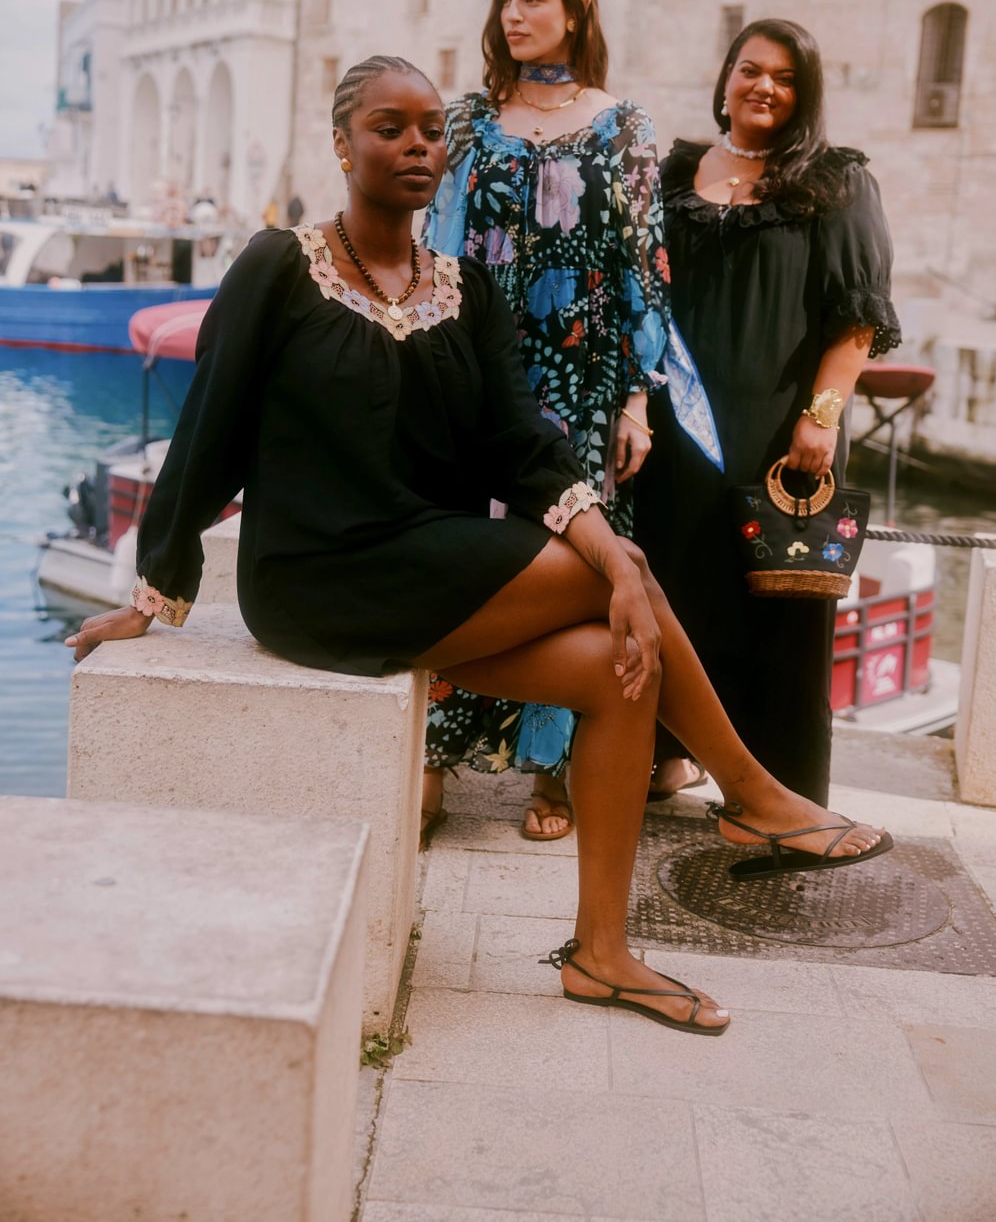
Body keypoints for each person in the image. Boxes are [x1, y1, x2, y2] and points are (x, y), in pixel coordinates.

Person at [66, 54, 890, 1037]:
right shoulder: (279, 265)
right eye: (389, 127)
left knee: (618, 667)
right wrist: (157, 589)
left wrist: (597, 536)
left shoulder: (461, 287)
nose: (416, 144)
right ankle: (753, 792)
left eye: (428, 129)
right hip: (318, 578)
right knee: (621, 580)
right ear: (341, 144)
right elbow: (207, 425)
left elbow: (521, 445)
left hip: (430, 560)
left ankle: (602, 953)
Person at [421, 0, 715, 847]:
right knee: (465, 555)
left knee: (579, 568)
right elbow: (438, 246)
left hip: (582, 383)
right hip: (477, 376)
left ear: (578, 7)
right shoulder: (469, 120)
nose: (514, 15)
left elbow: (643, 270)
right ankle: (433, 754)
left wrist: (637, 400)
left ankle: (553, 769)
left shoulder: (623, 125)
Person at [635, 19, 902, 807]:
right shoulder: (675, 170)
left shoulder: (836, 181)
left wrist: (821, 416)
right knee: (674, 586)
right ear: (725, 79)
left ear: (803, 95)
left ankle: (774, 785)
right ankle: (665, 752)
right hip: (677, 424)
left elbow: (857, 321)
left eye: (785, 78)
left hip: (784, 434)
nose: (764, 87)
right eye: (750, 70)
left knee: (773, 610)